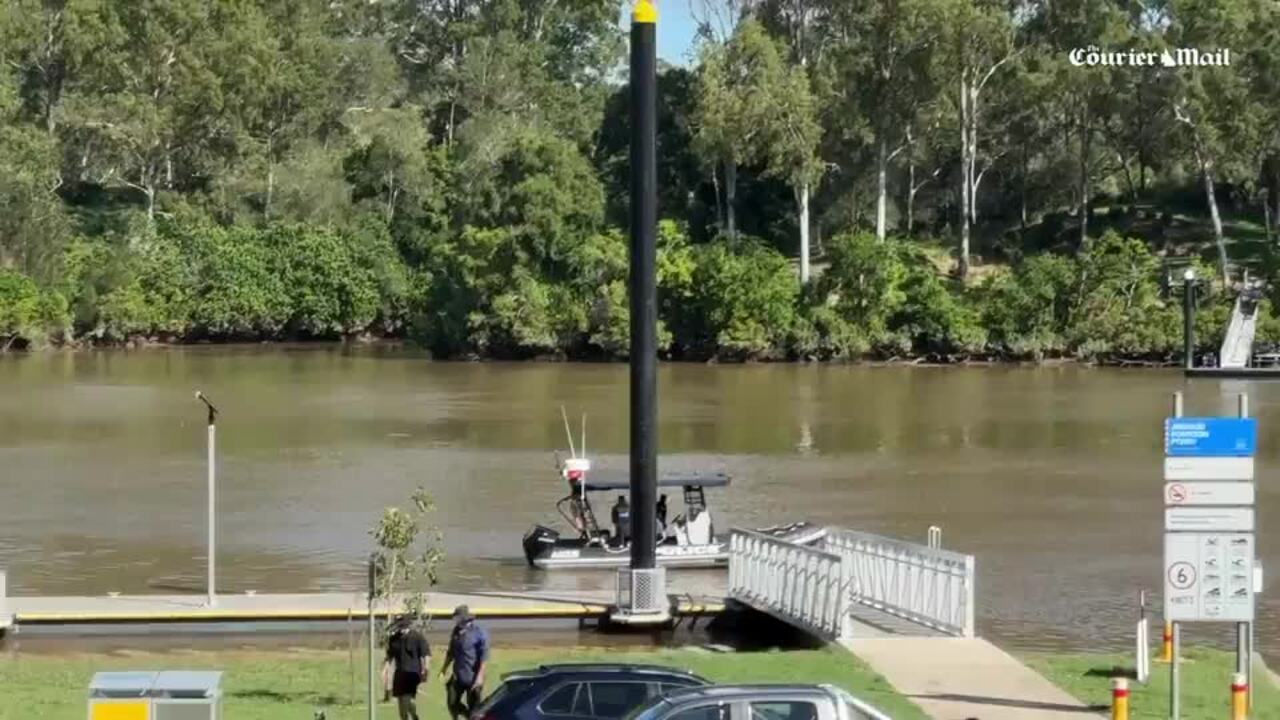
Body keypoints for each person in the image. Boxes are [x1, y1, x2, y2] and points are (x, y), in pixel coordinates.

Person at [441, 605, 489, 720]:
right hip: (458, 676)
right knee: (452, 703)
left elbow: (484, 657)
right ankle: (468, 716)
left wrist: (479, 677)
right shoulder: (456, 631)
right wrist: (444, 668)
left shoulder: (478, 634)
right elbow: (451, 652)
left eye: (457, 618)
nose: (455, 621)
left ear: (464, 619)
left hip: (473, 677)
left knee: (474, 708)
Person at [384, 615, 431, 720]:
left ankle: (414, 716)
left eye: (402, 625)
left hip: (412, 674)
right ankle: (410, 717)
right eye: (399, 625)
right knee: (401, 705)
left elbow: (426, 654)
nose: (400, 628)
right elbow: (389, 656)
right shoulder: (393, 639)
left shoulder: (417, 637)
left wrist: (426, 670)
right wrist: (385, 670)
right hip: (399, 674)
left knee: (407, 699)